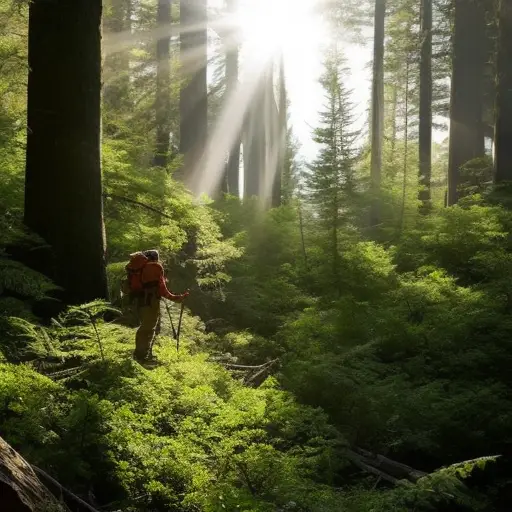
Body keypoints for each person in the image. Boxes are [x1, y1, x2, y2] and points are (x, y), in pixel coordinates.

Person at [132, 249, 188, 362]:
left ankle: (144, 354)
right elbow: (162, 290)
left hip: (138, 302)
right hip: (151, 302)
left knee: (147, 327)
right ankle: (141, 357)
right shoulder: (155, 268)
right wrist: (177, 298)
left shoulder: (138, 269)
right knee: (148, 329)